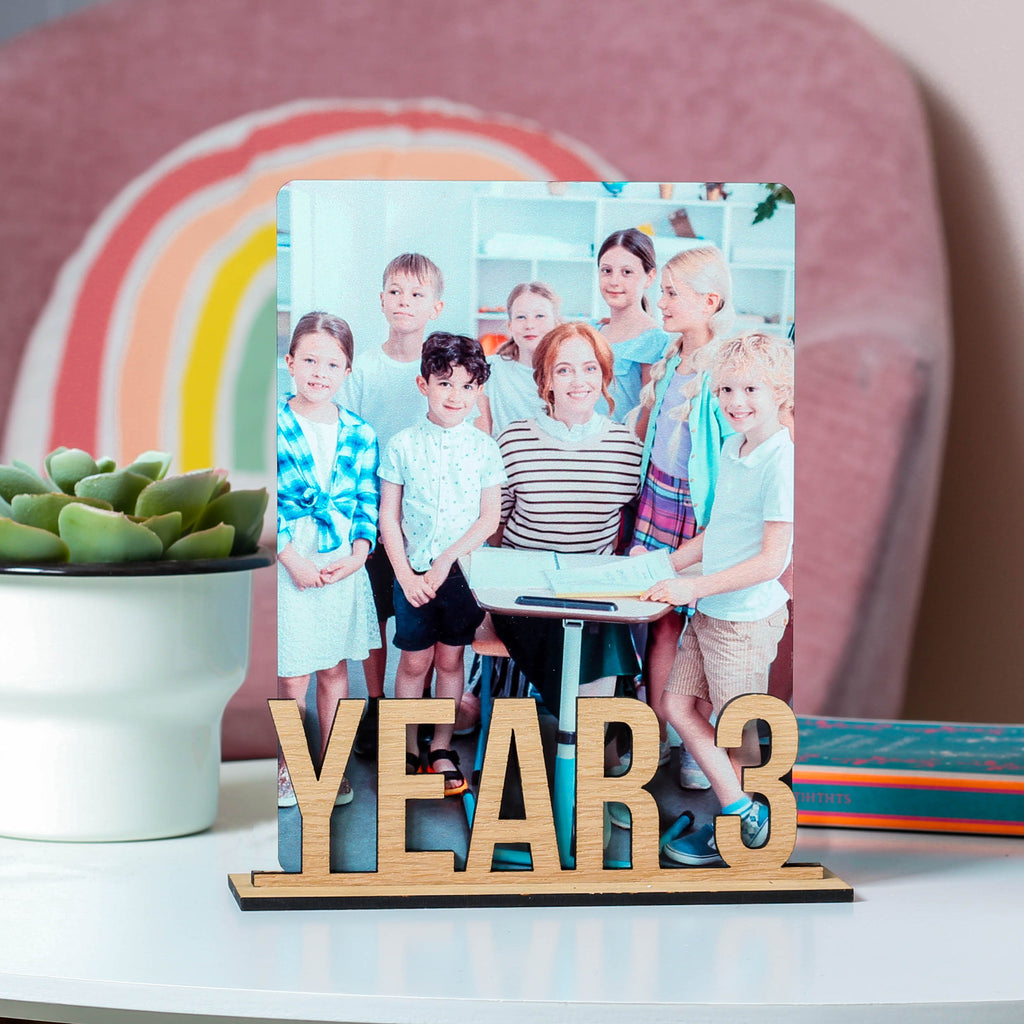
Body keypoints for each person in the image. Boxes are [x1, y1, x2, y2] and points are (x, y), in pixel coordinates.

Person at [641, 331, 794, 866]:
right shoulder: (734, 447)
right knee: (677, 707)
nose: (736, 401)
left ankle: (744, 832)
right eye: (726, 389)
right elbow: (719, 533)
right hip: (710, 612)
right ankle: (739, 812)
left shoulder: (782, 462)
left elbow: (771, 561)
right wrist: (663, 564)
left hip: (744, 621)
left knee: (738, 734)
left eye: (751, 388)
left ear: (781, 391)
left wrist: (692, 587)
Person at [492, 322, 644, 717]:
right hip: (525, 592)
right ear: (545, 381)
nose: (579, 380)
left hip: (592, 591)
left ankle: (592, 734)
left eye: (590, 368)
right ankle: (592, 730)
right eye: (564, 369)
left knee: (597, 623)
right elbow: (494, 527)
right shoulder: (514, 440)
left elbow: (631, 523)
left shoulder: (626, 447)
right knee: (575, 638)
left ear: (605, 376)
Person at [378, 332, 505, 795]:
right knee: (414, 663)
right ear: (423, 384)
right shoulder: (402, 445)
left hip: (462, 579)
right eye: (445, 383)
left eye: (468, 386)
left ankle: (441, 747)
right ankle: (409, 744)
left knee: (451, 661)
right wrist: (406, 575)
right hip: (411, 574)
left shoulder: (484, 448)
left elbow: (489, 517)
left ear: (478, 392)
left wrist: (445, 563)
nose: (456, 395)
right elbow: (388, 518)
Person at [630, 245, 735, 787]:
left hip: (701, 511)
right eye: (663, 291)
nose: (661, 301)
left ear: (710, 301)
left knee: (708, 628)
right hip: (657, 501)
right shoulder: (671, 355)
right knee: (661, 623)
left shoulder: (727, 365)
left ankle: (701, 741)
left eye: (672, 293)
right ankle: (658, 738)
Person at [341, 253, 444, 755]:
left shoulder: (437, 369)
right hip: (374, 511)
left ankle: (413, 708)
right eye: (396, 292)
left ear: (436, 307)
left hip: (426, 521)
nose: (405, 302)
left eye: (416, 294)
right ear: (382, 299)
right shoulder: (363, 368)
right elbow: (352, 442)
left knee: (418, 616)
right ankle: (378, 705)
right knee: (375, 612)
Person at [276, 312, 380, 807]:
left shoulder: (360, 432)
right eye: (310, 360)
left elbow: (366, 502)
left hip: (340, 558)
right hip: (290, 556)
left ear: (347, 372)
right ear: (291, 362)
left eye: (332, 363)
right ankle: (289, 766)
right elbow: (259, 497)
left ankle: (331, 765)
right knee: (293, 669)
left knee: (334, 668)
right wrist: (290, 557)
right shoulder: (271, 422)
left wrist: (360, 554)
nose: (320, 371)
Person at [593, 228, 672, 422]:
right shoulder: (592, 331)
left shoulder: (653, 340)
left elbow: (647, 417)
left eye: (626, 272)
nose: (614, 281)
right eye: (606, 271)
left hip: (621, 449)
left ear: (650, 277)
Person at [475, 281, 560, 437]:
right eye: (521, 317)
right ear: (510, 326)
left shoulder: (569, 373)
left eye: (539, 316)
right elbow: (481, 435)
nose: (529, 325)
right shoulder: (490, 369)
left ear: (556, 323)